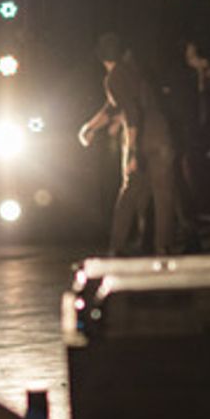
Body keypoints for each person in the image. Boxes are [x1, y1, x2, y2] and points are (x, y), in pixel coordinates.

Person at [78, 32, 178, 255]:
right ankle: (164, 248)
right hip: (161, 135)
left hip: (141, 138)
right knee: (163, 194)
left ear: (101, 58)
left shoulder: (113, 78)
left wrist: (132, 151)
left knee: (129, 192)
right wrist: (90, 127)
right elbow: (113, 106)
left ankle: (117, 247)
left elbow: (130, 112)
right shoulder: (134, 70)